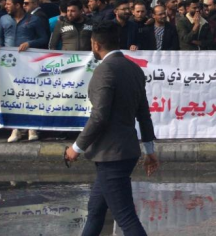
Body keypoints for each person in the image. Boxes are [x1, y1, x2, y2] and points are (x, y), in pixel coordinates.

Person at [63, 21, 158, 236]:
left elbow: (99, 116)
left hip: (111, 155)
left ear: (96, 45)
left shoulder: (104, 70)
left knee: (126, 217)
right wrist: (150, 150)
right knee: (95, 210)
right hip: (125, 151)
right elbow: (144, 114)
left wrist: (76, 148)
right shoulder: (134, 68)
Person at [0, 0, 49, 143]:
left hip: (30, 63)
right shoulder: (3, 19)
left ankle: (32, 127)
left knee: (31, 94)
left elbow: (44, 38)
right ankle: (15, 128)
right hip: (9, 64)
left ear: (17, 5)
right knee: (13, 94)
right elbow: (0, 37)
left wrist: (30, 44)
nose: (5, 6)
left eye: (8, 4)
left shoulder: (34, 19)